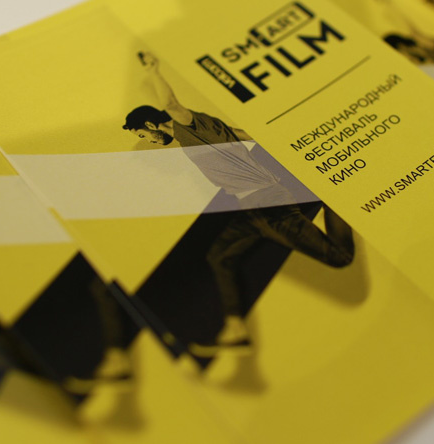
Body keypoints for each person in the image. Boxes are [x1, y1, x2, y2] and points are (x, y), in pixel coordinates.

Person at [123, 52, 355, 354]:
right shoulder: (201, 130)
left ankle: (340, 201)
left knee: (339, 258)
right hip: (252, 207)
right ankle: (235, 330)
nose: (149, 141)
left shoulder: (187, 126)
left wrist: (153, 71)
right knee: (219, 256)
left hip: (268, 205)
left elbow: (171, 104)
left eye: (144, 134)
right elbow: (242, 134)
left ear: (151, 123)